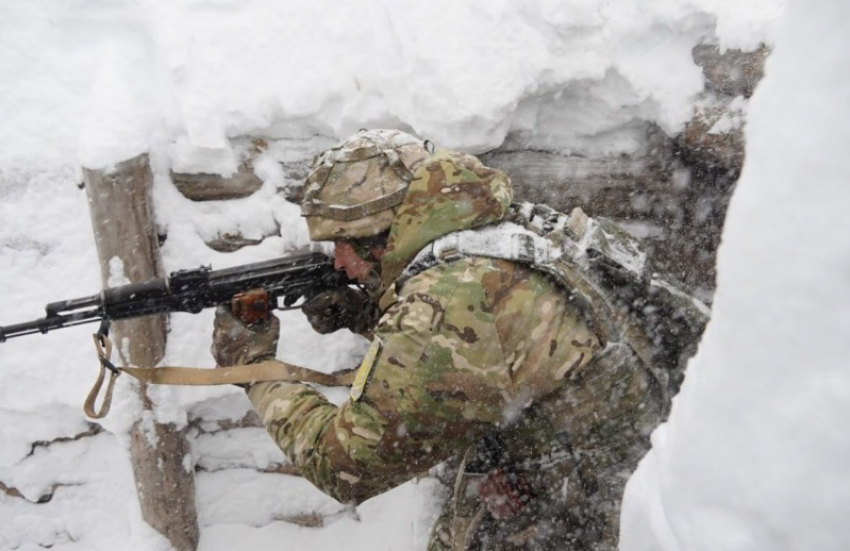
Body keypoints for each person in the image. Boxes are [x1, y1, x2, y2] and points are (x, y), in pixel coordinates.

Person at [211, 129, 706, 550]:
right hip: (644, 497)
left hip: (588, 528)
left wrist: (255, 369)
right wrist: (367, 311)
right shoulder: (509, 230)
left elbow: (347, 466)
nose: (338, 261)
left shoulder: (450, 298)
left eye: (344, 241)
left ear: (384, 233)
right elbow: (484, 352)